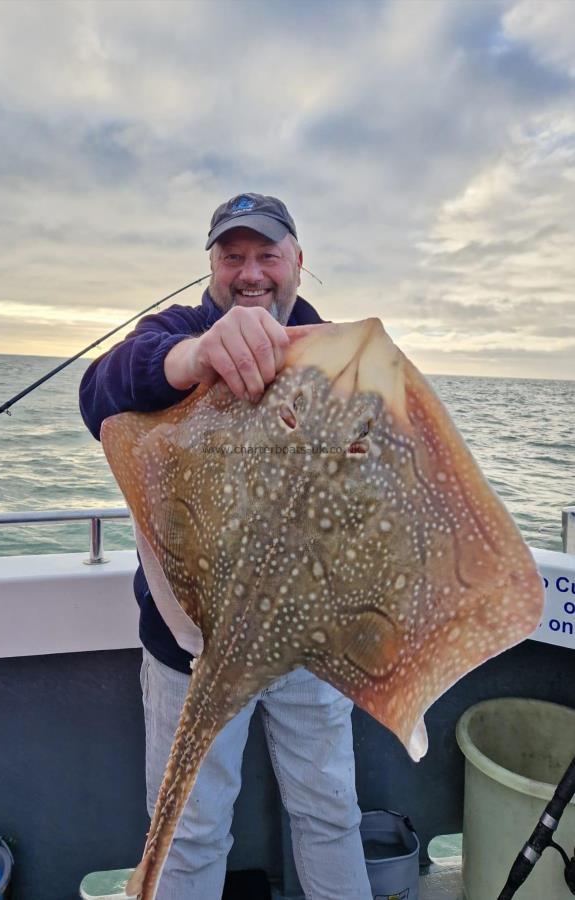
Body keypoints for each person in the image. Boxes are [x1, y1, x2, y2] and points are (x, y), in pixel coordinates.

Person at [79, 193, 372, 900]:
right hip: (193, 642)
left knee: (331, 813)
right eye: (231, 256)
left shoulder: (338, 354)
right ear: (210, 266)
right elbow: (100, 391)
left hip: (309, 643)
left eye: (266, 254)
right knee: (188, 830)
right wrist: (190, 357)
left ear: (297, 261)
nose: (250, 273)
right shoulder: (174, 332)